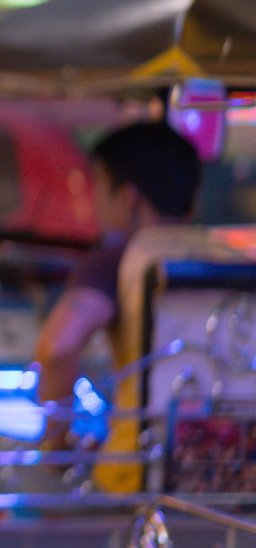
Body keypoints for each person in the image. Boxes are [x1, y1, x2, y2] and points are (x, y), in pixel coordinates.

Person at [34, 120, 200, 447]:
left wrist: (55, 442)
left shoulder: (117, 261)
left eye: (98, 187)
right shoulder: (221, 258)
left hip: (139, 465)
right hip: (223, 460)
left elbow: (58, 348)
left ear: (128, 198)